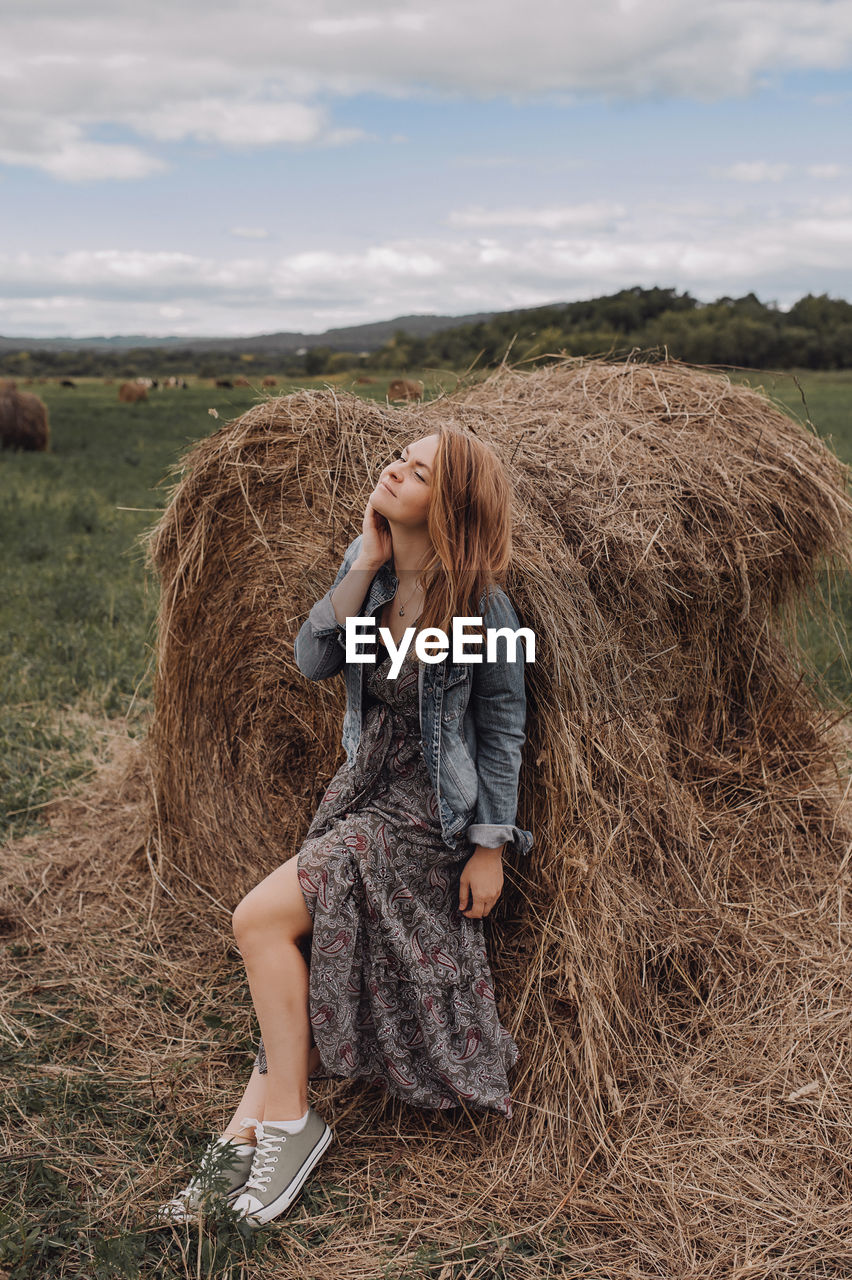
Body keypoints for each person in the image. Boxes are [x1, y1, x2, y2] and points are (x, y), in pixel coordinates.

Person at [157, 425, 533, 1228]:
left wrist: (490, 845)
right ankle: (235, 1147)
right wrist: (362, 562)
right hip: (360, 796)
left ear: (452, 502)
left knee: (257, 920)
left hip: (426, 819)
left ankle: (289, 1129)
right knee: (290, 951)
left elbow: (502, 730)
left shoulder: (484, 606)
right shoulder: (374, 580)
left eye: (419, 469)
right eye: (400, 455)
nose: (395, 468)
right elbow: (311, 660)